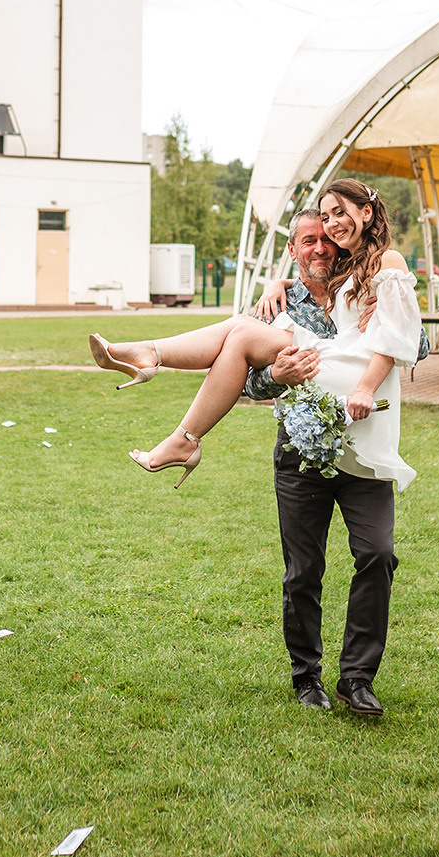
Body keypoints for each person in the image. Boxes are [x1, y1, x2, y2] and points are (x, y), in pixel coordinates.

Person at [90, 178, 421, 497]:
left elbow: (405, 341)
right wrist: (281, 285)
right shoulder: (344, 269)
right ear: (293, 250)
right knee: (240, 331)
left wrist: (366, 385)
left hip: (355, 371)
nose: (331, 227)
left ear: (366, 212)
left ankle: (154, 364)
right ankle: (180, 428)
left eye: (339, 213)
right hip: (334, 361)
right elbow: (252, 381)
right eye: (325, 217)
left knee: (243, 330)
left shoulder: (388, 261)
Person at [239, 206, 416, 716]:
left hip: (366, 451)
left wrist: (392, 297)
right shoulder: (274, 305)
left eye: (327, 239)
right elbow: (249, 383)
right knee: (303, 570)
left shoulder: (369, 285)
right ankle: (306, 678)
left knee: (378, 554)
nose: (320, 248)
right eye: (308, 240)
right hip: (300, 454)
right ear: (292, 249)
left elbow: (418, 345)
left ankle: (357, 679)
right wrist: (278, 375)